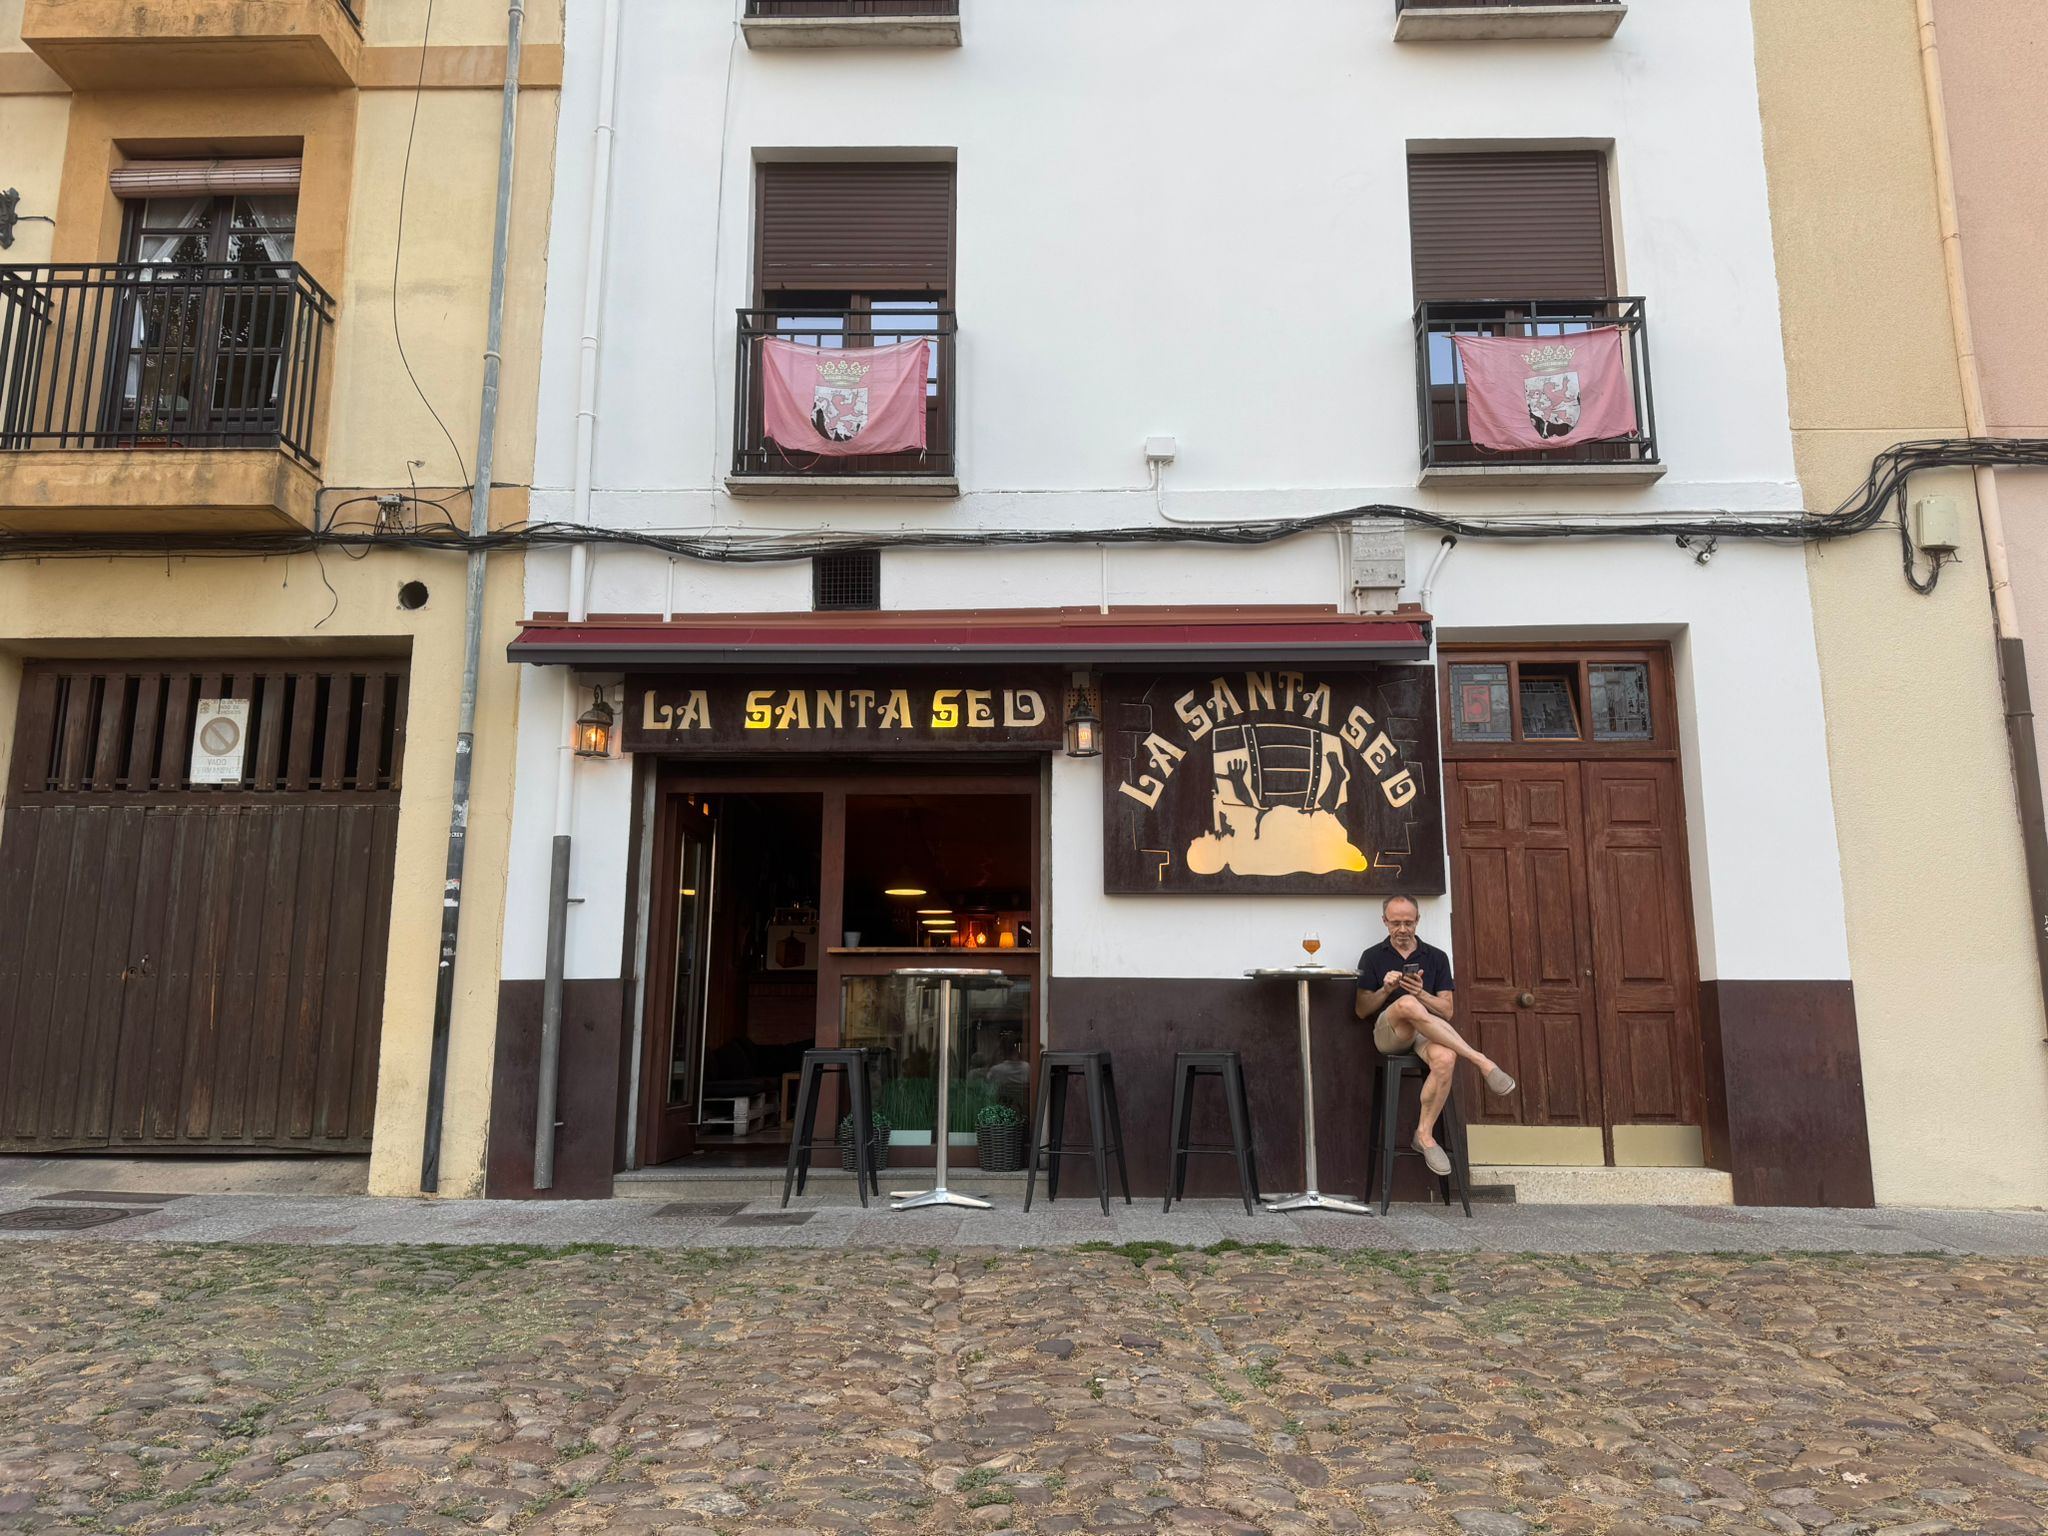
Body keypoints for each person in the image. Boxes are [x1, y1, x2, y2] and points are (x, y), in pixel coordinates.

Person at [1354, 894, 1516, 1177]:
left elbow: (1447, 1011)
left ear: (1417, 920)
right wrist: (1386, 990)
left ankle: (1424, 1135)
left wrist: (1422, 993)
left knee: (1446, 1057)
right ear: (1385, 922)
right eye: (1395, 923)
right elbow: (1361, 1010)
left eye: (1408, 923)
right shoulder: (1372, 956)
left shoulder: (1436, 957)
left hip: (1425, 1032)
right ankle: (1481, 1060)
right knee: (1406, 1004)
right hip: (1389, 1033)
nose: (1402, 929)